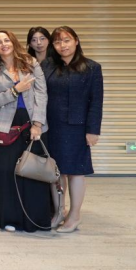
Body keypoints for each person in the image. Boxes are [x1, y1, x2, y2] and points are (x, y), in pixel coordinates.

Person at [0, 30, 51, 233]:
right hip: (5, 125)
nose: (3, 44)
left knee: (33, 171)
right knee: (6, 172)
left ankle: (34, 219)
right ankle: (10, 218)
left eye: (6, 40)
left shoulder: (30, 63)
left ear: (13, 42)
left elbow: (42, 93)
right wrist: (15, 90)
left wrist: (38, 124)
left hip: (32, 123)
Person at [43, 26, 103, 233]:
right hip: (52, 126)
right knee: (55, 172)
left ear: (76, 41)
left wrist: (93, 130)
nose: (63, 45)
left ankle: (74, 215)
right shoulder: (48, 65)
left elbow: (96, 101)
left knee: (75, 172)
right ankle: (59, 211)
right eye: (58, 42)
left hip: (77, 128)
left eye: (66, 40)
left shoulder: (92, 68)